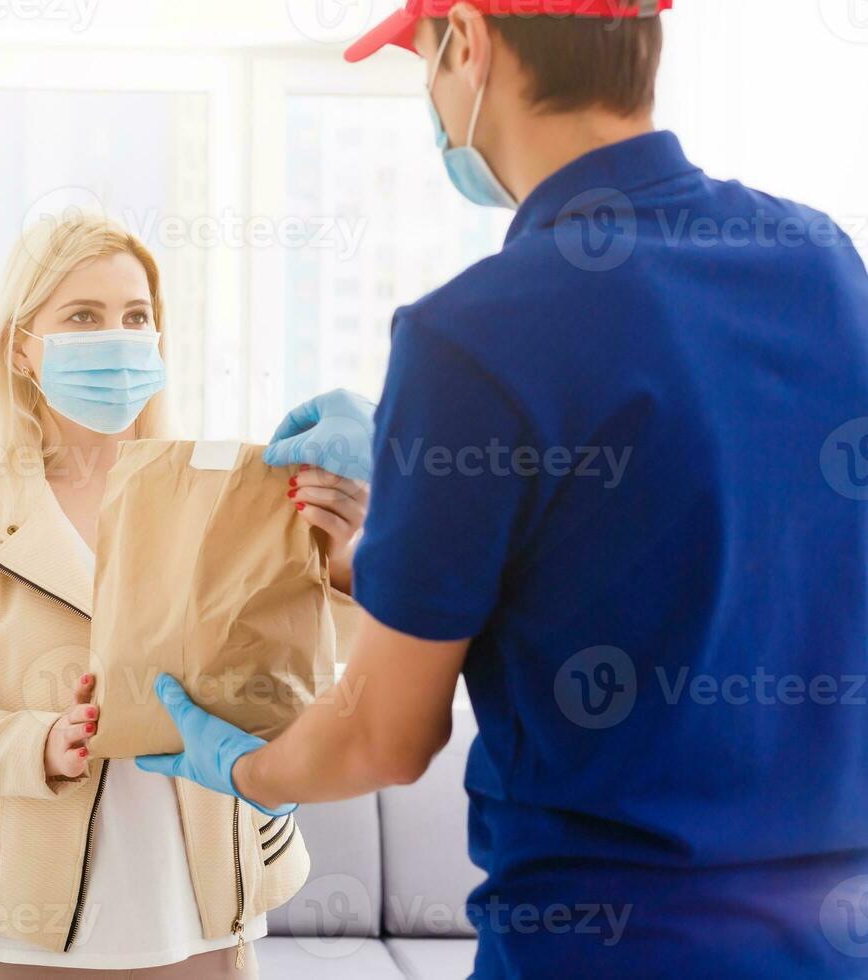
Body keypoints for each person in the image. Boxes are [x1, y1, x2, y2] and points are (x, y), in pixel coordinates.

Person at [137, 2, 868, 976]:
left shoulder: (470, 336)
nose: (433, 97)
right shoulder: (821, 263)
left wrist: (239, 764)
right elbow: (702, 550)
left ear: (470, 42)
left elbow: (383, 736)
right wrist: (394, 558)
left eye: (423, 61)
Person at [0, 212, 369, 978]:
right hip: (18, 925)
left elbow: (326, 661)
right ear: (21, 347)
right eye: (83, 316)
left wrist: (344, 559)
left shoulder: (225, 484)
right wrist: (41, 743)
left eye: (136, 317)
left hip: (205, 911)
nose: (118, 338)